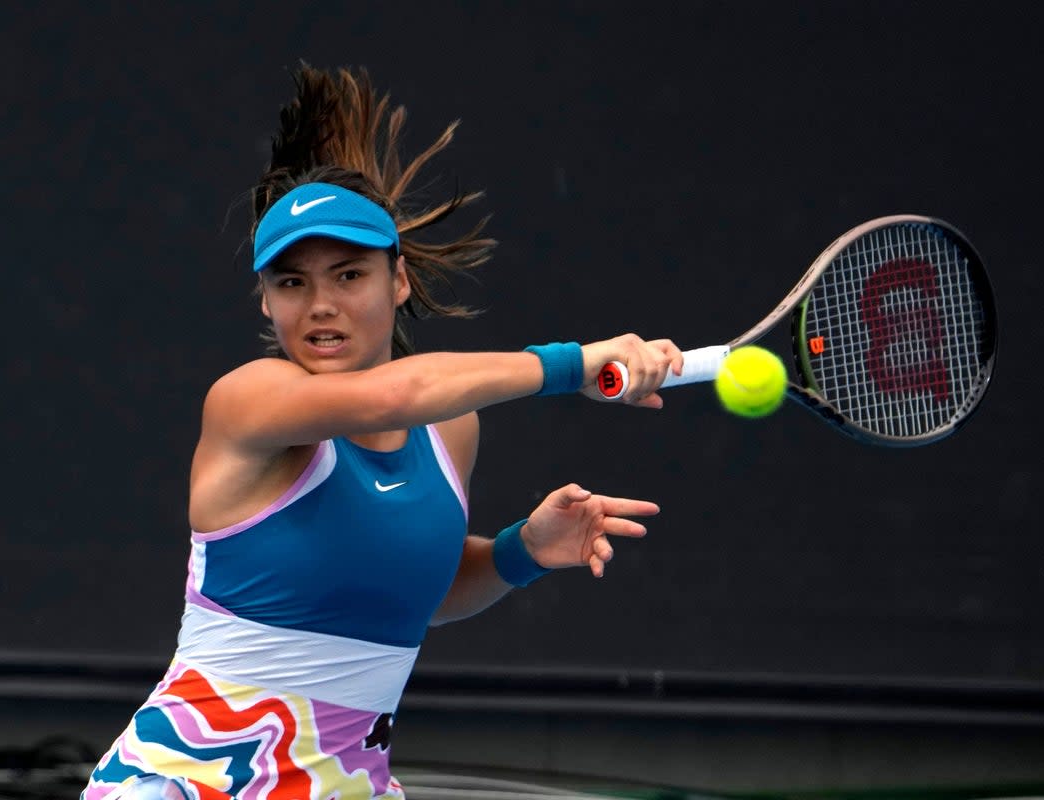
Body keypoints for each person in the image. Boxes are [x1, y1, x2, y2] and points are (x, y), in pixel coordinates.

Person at [82, 65, 682, 800]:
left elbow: (410, 591)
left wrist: (519, 553)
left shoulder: (450, 428)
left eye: (348, 275)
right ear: (266, 301)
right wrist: (571, 365)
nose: (321, 305)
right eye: (292, 283)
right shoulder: (250, 401)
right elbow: (390, 397)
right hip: (189, 783)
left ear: (397, 281)